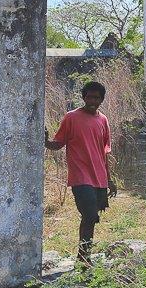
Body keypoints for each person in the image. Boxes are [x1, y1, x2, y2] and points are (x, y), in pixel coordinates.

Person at [45, 80, 117, 263]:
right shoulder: (71, 117)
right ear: (83, 97)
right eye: (89, 97)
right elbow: (58, 143)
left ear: (102, 99)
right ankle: (83, 258)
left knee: (91, 219)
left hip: (99, 177)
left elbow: (104, 152)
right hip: (80, 177)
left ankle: (85, 257)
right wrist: (45, 141)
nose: (93, 100)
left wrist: (109, 179)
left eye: (97, 97)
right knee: (89, 215)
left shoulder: (103, 120)